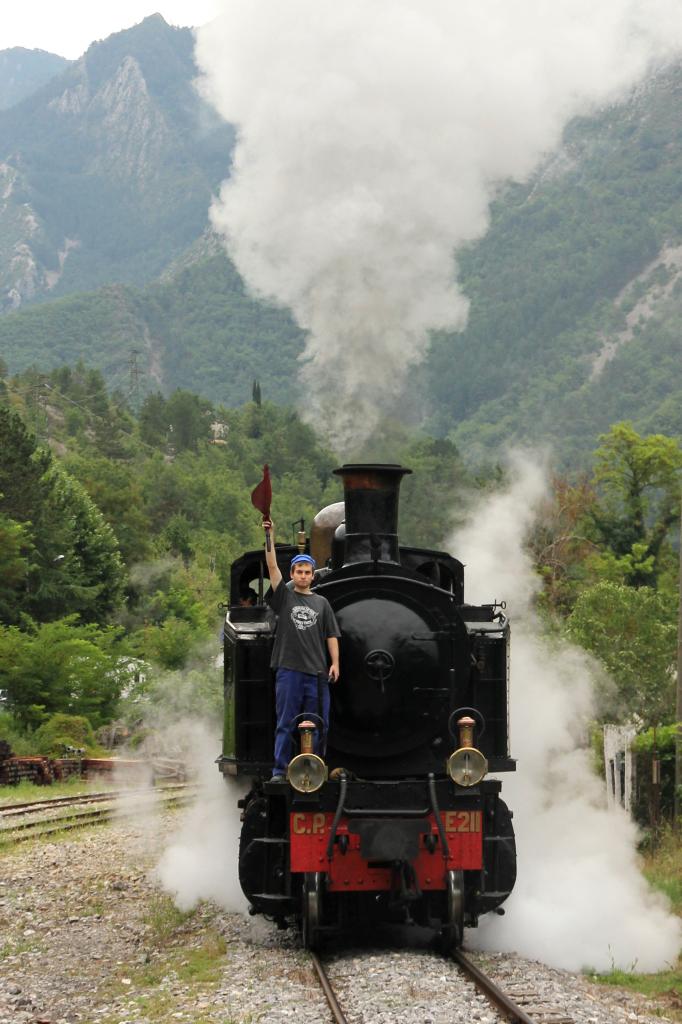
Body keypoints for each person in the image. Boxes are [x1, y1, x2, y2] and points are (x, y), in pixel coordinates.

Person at [263, 518, 340, 781]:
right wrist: (269, 536)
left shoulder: (322, 603)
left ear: (313, 575)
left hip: (317, 672)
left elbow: (331, 635)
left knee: (319, 723)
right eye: (299, 572)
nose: (304, 576)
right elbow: (272, 566)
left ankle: (313, 768)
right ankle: (280, 770)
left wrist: (335, 663)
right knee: (285, 723)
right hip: (289, 669)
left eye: (308, 572)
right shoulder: (284, 597)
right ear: (293, 574)